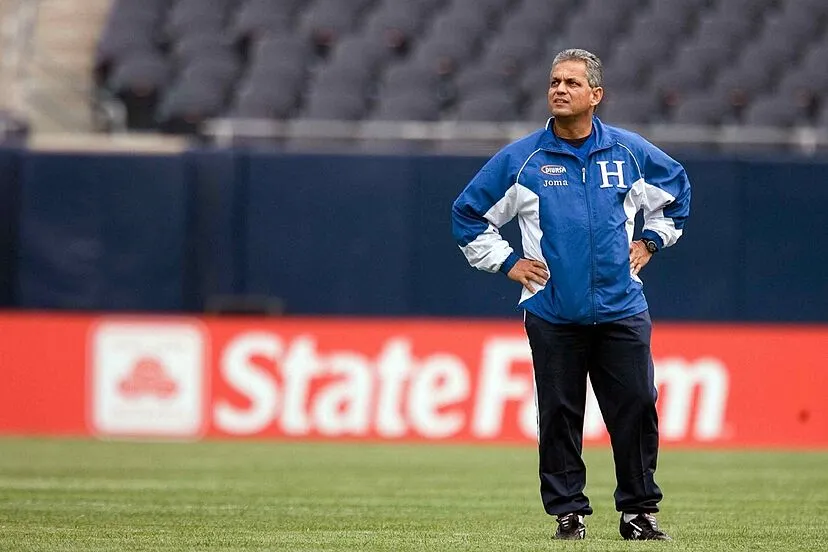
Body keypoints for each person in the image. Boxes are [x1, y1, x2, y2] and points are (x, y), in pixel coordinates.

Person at [451, 49, 690, 541]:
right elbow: (467, 214)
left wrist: (650, 240)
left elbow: (677, 191)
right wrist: (507, 262)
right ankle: (568, 513)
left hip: (623, 308)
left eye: (571, 83)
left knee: (637, 405)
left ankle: (639, 512)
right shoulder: (521, 160)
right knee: (559, 414)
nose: (559, 89)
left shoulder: (629, 152)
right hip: (552, 310)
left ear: (595, 95)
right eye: (554, 82)